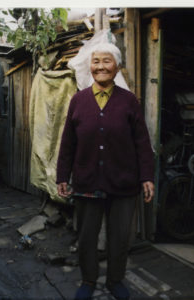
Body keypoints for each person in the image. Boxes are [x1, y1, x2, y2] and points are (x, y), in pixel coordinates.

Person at [56, 43, 154, 300]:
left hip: (123, 181)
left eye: (107, 61)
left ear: (117, 66)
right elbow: (68, 142)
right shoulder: (78, 100)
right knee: (87, 236)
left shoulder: (128, 101)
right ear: (90, 67)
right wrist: (62, 176)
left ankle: (115, 280)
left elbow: (142, 142)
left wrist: (146, 177)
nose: (100, 66)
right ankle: (88, 280)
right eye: (96, 61)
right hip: (87, 180)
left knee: (120, 237)